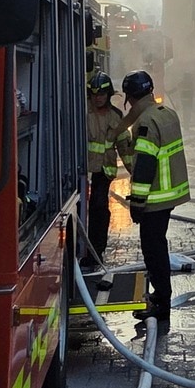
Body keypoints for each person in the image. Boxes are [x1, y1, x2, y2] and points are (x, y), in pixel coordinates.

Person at [118, 69, 189, 331]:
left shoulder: (145, 123)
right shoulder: (167, 113)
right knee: (158, 246)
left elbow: (145, 166)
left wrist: (137, 203)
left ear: (130, 98)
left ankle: (160, 303)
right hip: (169, 194)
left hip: (155, 198)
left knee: (153, 251)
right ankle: (160, 299)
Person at [84, 72, 127, 267]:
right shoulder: (83, 112)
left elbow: (124, 146)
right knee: (82, 210)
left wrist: (136, 171)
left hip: (103, 171)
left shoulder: (116, 117)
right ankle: (85, 248)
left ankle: (96, 251)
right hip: (83, 169)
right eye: (94, 94)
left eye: (101, 94)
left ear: (108, 94)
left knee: (99, 208)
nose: (98, 98)